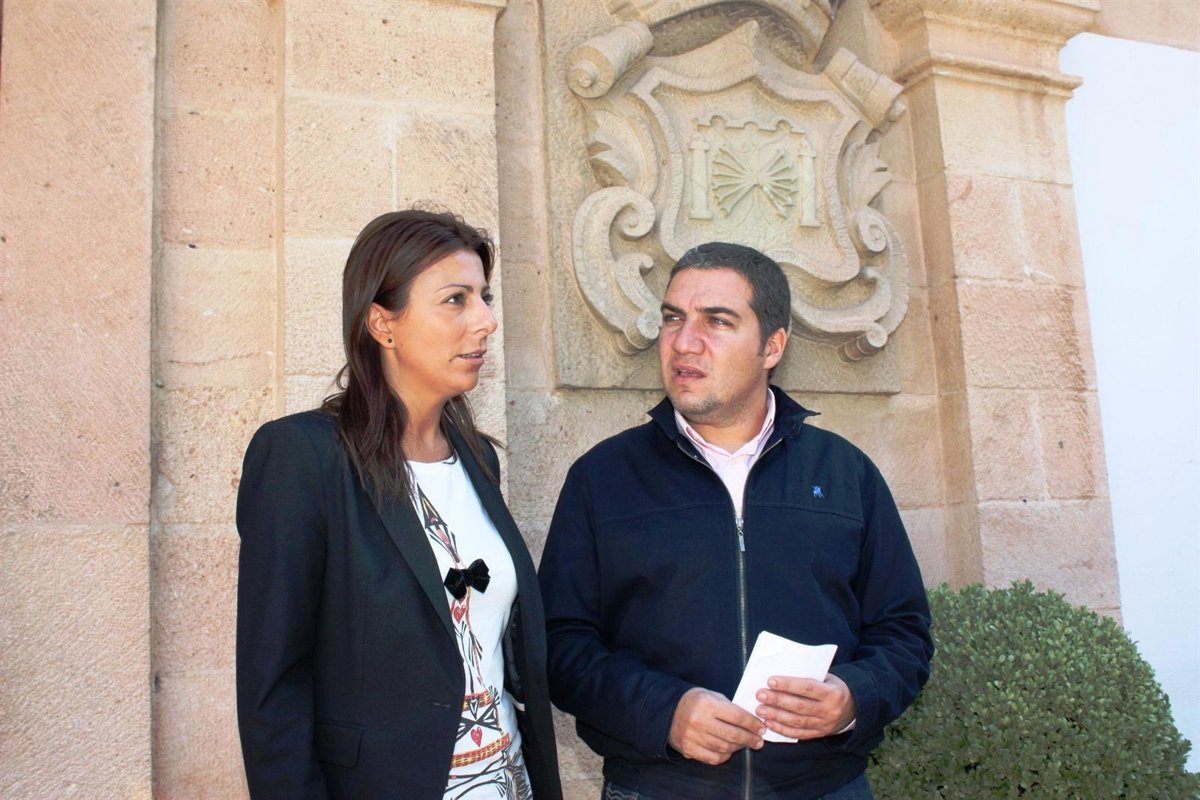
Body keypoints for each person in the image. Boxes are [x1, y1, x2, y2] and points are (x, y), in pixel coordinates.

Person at [538, 242, 932, 800]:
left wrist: (853, 697)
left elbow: (905, 633)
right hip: (658, 789)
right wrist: (664, 711)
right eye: (673, 318)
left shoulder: (847, 474)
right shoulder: (602, 478)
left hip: (825, 788)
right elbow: (560, 644)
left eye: (717, 321)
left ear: (772, 346)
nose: (684, 341)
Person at [236, 209, 562, 800]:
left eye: (484, 298)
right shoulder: (302, 457)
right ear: (383, 324)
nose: (486, 321)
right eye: (456, 300)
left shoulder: (477, 458)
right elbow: (273, 690)